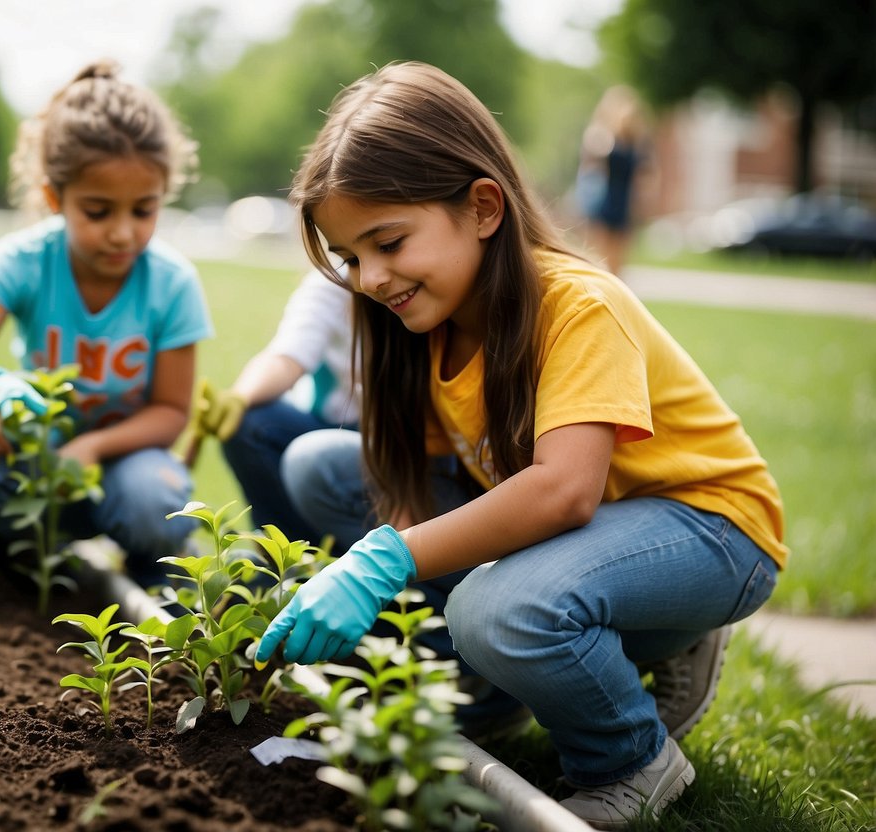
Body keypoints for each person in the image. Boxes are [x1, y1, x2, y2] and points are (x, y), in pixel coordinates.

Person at [255, 62, 786, 829]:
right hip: (586, 538)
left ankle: (630, 760)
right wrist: (351, 592)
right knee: (322, 468)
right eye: (350, 257)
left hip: (706, 531)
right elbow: (412, 489)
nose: (369, 277)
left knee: (497, 609)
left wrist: (380, 563)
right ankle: (492, 691)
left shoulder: (577, 304)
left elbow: (563, 491)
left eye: (388, 241)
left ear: (481, 207)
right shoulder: (423, 328)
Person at [0, 60, 212, 587]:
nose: (123, 233)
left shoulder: (172, 283)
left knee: (156, 506)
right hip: (36, 464)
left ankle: (151, 562)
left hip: (124, 470)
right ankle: (20, 551)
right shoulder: (23, 261)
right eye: (98, 212)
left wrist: (93, 448)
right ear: (55, 198)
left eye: (143, 210)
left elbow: (171, 412)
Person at [190, 268, 358, 542]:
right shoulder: (332, 284)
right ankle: (288, 553)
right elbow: (287, 355)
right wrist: (240, 397)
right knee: (251, 423)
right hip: (335, 422)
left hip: (401, 435)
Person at [576, 84, 652, 276]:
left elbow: (644, 174)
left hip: (624, 203)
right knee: (599, 258)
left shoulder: (637, 142)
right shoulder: (602, 135)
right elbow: (590, 163)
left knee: (619, 263)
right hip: (603, 201)